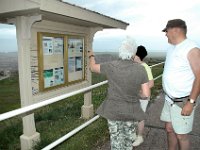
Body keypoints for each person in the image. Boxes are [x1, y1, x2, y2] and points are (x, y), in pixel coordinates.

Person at [89, 36, 150, 150]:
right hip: (131, 111)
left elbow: (92, 68)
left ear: (120, 51)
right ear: (133, 53)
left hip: (113, 111)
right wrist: (136, 94)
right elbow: (146, 94)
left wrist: (91, 55)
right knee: (128, 141)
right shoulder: (141, 69)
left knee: (116, 140)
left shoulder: (111, 65)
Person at [160, 19, 200, 150]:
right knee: (170, 129)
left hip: (182, 101)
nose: (165, 34)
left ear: (175, 30)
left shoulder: (191, 49)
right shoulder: (171, 47)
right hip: (169, 99)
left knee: (181, 136)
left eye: (166, 31)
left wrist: (191, 102)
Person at [132, 45, 154, 147]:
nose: (132, 56)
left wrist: (140, 90)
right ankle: (133, 134)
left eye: (134, 54)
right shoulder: (135, 66)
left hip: (142, 97)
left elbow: (151, 83)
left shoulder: (145, 67)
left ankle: (140, 136)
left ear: (138, 55)